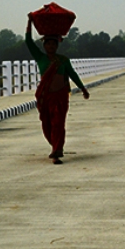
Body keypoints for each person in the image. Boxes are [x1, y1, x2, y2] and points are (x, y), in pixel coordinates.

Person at [26, 13, 89, 164]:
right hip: (45, 96)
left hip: (60, 96)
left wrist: (83, 88)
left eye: (53, 44)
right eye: (48, 44)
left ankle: (56, 151)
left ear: (57, 46)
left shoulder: (63, 60)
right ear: (44, 46)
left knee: (58, 123)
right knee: (47, 123)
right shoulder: (41, 58)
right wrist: (29, 22)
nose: (51, 47)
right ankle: (55, 145)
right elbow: (28, 41)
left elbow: (72, 74)